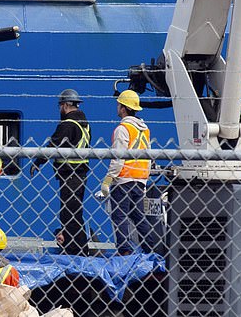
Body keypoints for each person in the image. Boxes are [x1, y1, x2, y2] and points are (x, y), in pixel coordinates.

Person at [30, 89, 91, 256]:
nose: (60, 110)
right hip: (80, 174)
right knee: (74, 213)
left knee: (68, 214)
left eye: (60, 106)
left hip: (70, 174)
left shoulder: (68, 124)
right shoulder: (84, 123)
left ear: (65, 105)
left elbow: (53, 145)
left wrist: (38, 162)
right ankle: (79, 249)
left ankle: (74, 250)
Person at [98, 90, 157, 255]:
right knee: (138, 217)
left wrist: (108, 180)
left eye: (119, 104)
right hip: (140, 180)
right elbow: (148, 155)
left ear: (124, 108)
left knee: (119, 216)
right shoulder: (144, 130)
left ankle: (124, 251)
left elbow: (118, 157)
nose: (117, 108)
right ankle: (150, 249)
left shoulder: (123, 129)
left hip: (123, 180)